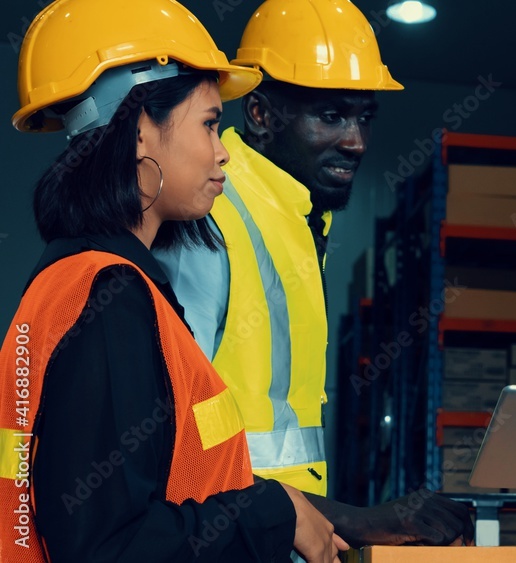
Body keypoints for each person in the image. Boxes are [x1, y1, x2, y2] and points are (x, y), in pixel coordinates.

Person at [1, 0, 350, 560]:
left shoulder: (79, 284)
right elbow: (109, 548)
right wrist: (272, 514)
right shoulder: (108, 300)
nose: (222, 153)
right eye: (210, 124)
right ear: (140, 130)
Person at [153, 0, 473, 547]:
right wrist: (355, 518)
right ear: (260, 114)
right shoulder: (211, 216)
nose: (356, 141)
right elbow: (170, 442)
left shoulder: (296, 220)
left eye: (364, 117)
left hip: (273, 542)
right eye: (331, 116)